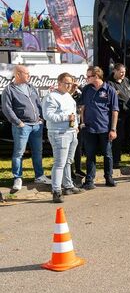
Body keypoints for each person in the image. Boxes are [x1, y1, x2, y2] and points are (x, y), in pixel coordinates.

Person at [1, 64, 50, 193]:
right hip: (22, 126)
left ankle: (39, 176)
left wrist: (41, 118)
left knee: (38, 152)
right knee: (18, 153)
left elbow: (38, 103)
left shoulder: (31, 87)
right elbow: (7, 109)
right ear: (18, 75)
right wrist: (18, 122)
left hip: (36, 125)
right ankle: (17, 178)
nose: (29, 76)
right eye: (26, 73)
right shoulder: (9, 90)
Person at [42, 72, 84, 202]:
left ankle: (68, 186)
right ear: (59, 83)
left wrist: (76, 125)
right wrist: (66, 118)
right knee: (59, 163)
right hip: (59, 133)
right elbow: (47, 116)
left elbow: (73, 113)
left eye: (70, 83)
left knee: (68, 162)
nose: (69, 85)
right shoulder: (51, 97)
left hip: (71, 132)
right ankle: (56, 191)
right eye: (66, 83)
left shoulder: (68, 96)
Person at [80, 66, 119, 189]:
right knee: (90, 155)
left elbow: (115, 111)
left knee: (107, 154)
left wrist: (113, 129)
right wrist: (82, 122)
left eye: (88, 76)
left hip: (105, 128)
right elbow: (82, 107)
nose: (86, 79)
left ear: (96, 76)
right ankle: (89, 180)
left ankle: (109, 177)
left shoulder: (109, 90)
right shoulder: (86, 89)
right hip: (89, 128)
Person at [108, 63, 130, 168]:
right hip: (119, 114)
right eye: (121, 72)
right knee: (118, 137)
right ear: (115, 71)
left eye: (124, 72)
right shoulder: (109, 83)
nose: (123, 74)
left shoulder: (127, 81)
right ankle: (116, 161)